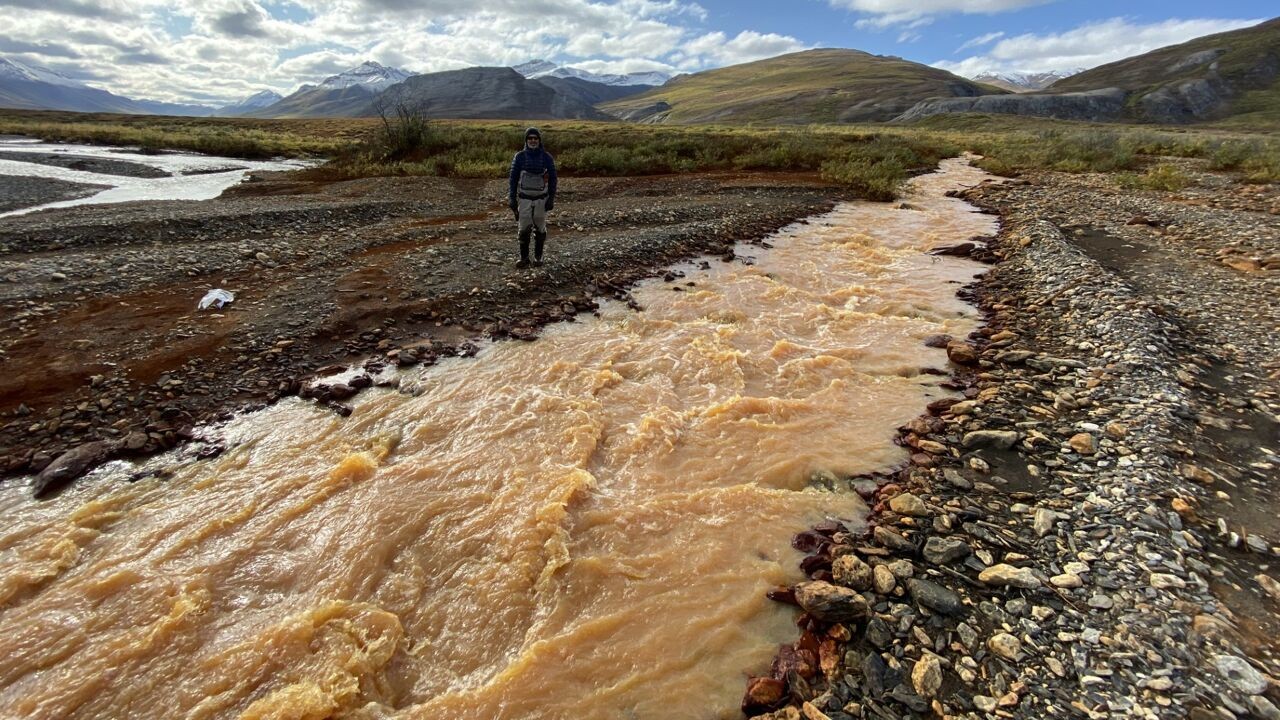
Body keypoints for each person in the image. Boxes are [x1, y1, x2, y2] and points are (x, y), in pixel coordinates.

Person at [508, 127, 557, 268]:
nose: (533, 140)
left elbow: (553, 179)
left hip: (541, 199)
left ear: (539, 140)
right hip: (524, 199)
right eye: (530, 138)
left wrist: (551, 198)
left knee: (540, 229)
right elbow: (513, 179)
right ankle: (524, 258)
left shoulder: (547, 157)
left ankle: (538, 257)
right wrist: (511, 198)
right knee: (523, 229)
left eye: (535, 138)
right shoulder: (519, 157)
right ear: (526, 140)